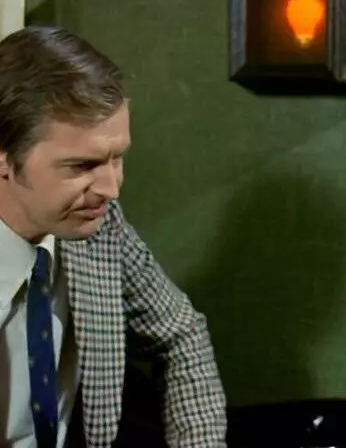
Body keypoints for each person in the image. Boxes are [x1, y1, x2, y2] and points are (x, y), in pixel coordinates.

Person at [0, 25, 227, 447]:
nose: (111, 188)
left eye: (117, 159)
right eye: (82, 166)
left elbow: (181, 335)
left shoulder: (101, 229)